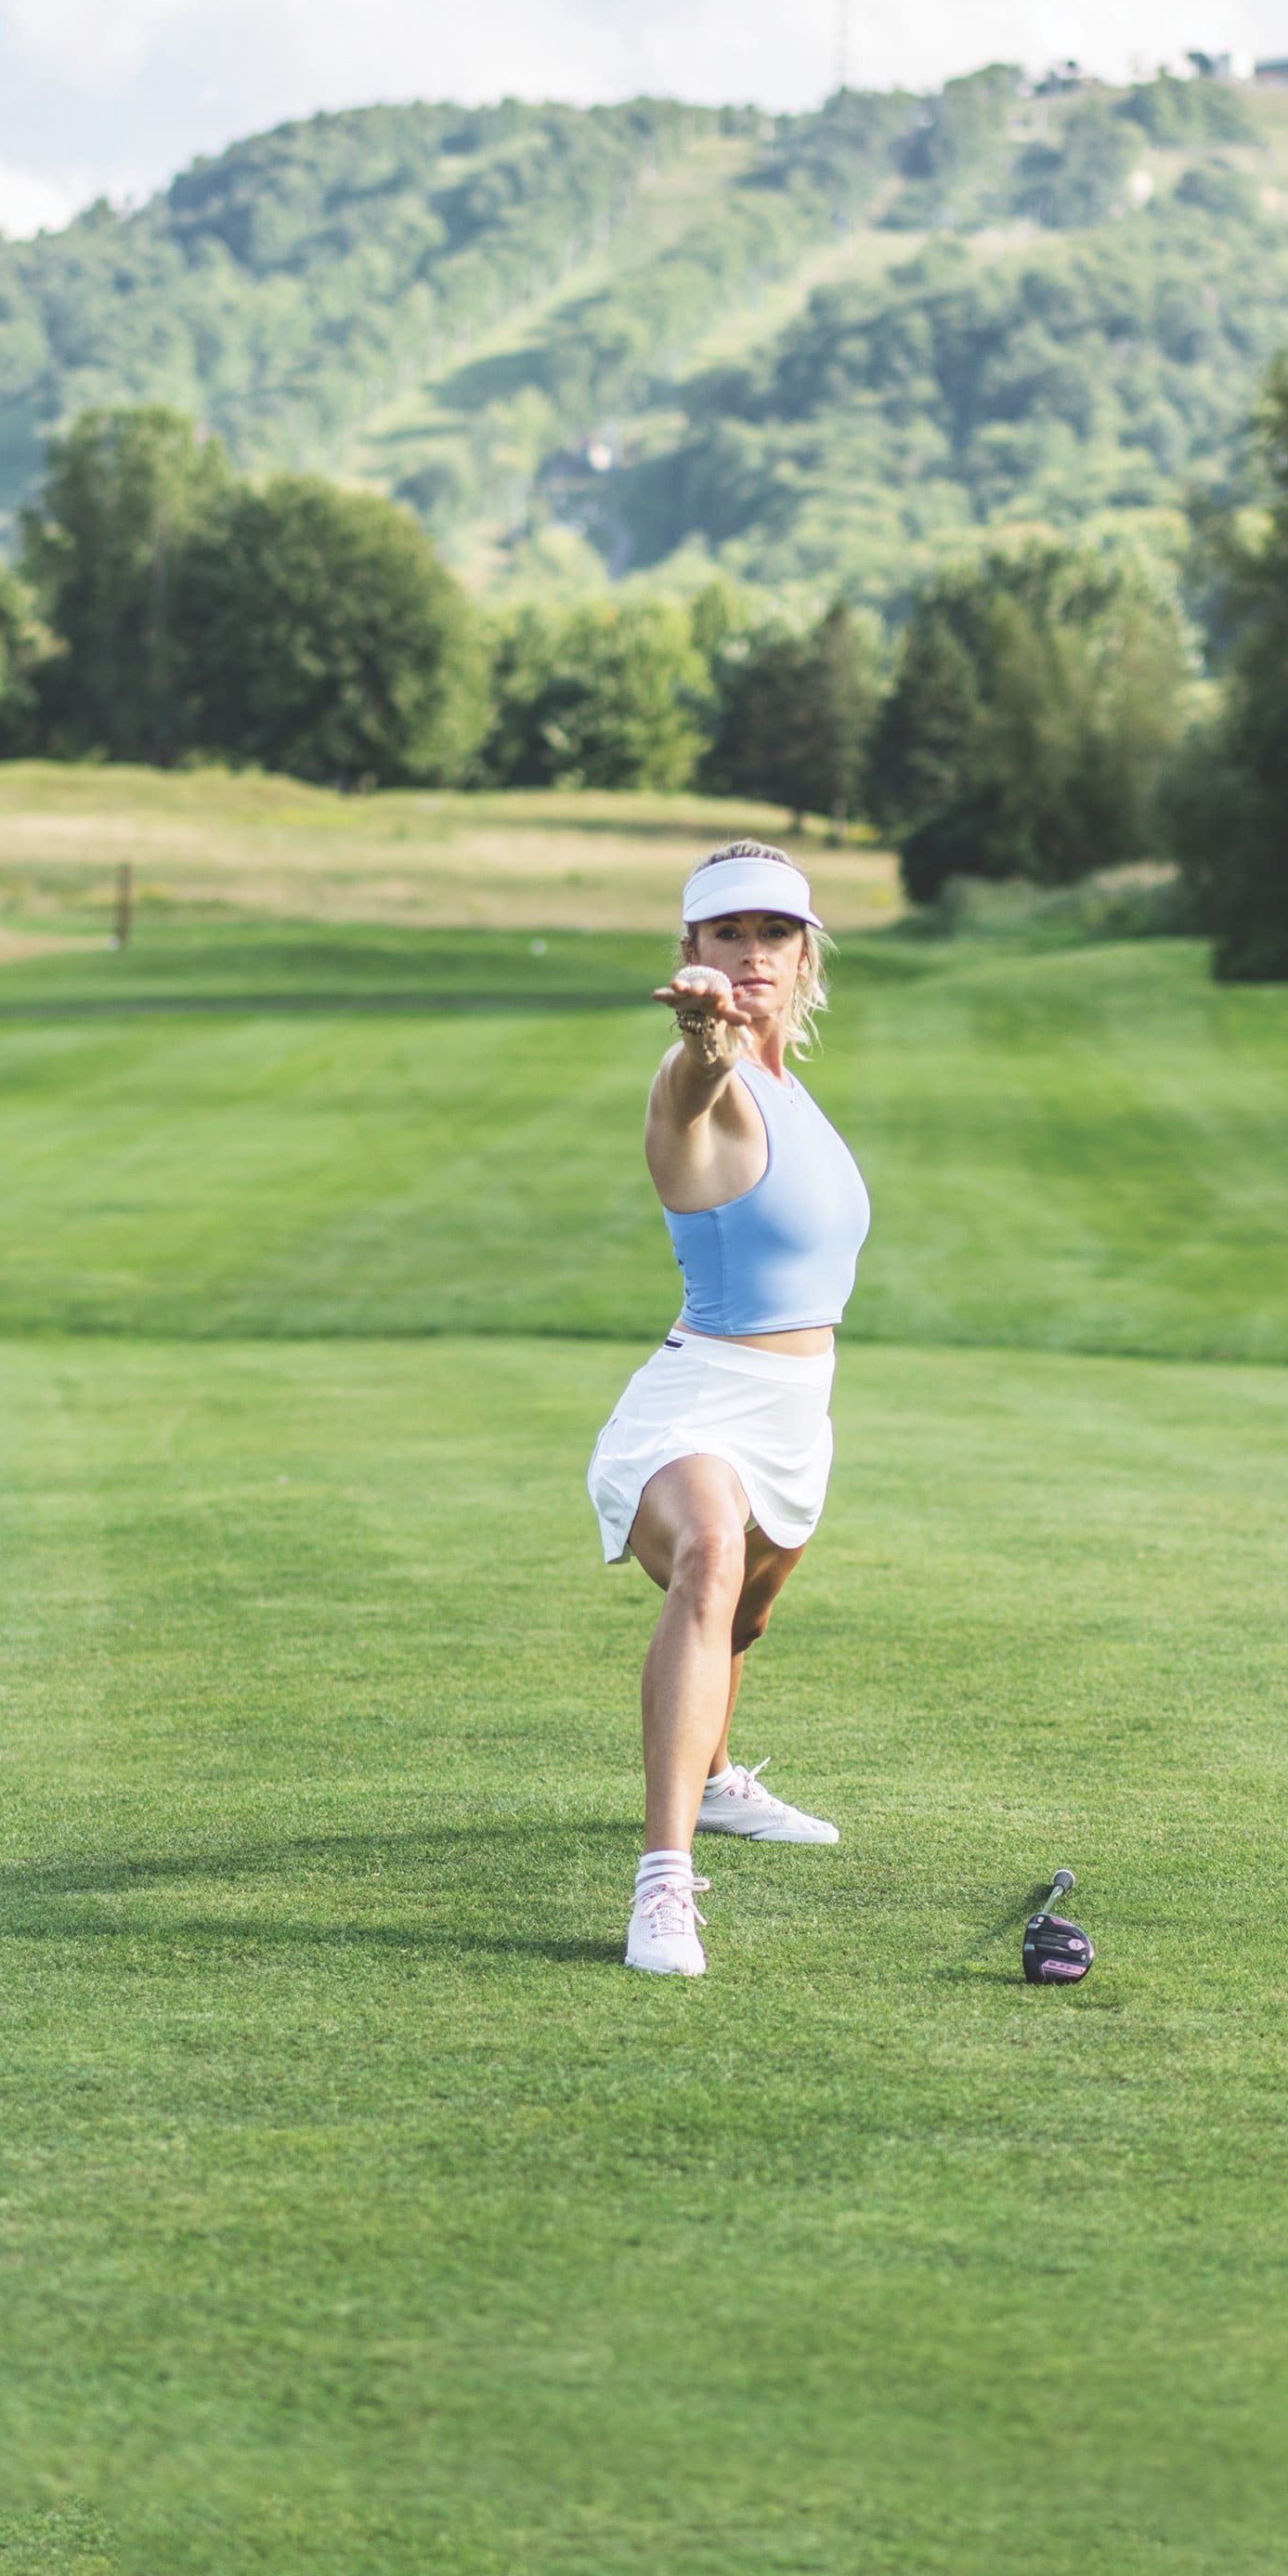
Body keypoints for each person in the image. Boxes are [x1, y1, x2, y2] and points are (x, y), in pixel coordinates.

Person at [585, 842, 871, 1978]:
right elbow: (693, 1086)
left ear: (805, 958)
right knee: (707, 1555)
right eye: (724, 937)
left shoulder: (799, 1095)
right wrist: (703, 1035)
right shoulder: (693, 1079)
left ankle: (711, 1781)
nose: (749, 957)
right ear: (689, 953)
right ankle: (662, 1884)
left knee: (742, 1621)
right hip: (697, 1398)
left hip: (798, 1416)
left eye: (772, 936)